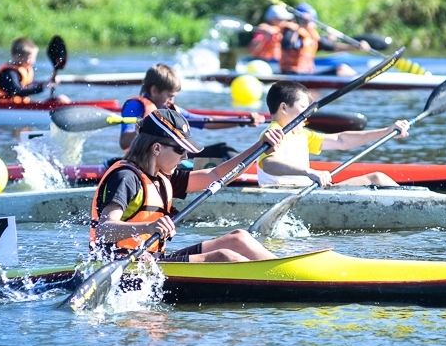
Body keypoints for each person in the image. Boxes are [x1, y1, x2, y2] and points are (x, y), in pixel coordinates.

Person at [91, 108, 285, 262]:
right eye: (180, 150)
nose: (185, 157)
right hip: (124, 264)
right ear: (156, 148)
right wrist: (148, 227)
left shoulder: (163, 176)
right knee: (223, 257)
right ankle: (281, 284)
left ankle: (287, 274)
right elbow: (104, 230)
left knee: (239, 239)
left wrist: (259, 148)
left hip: (152, 260)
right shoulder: (126, 178)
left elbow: (216, 174)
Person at [257, 81, 410, 187]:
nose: (308, 114)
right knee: (376, 179)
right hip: (285, 195)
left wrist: (386, 131)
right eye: (303, 107)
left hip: (305, 192)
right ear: (284, 107)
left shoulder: (301, 134)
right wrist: (309, 172)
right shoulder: (273, 133)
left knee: (378, 178)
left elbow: (341, 140)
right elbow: (269, 165)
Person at [119, 63, 265, 151]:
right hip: (144, 163)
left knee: (224, 150)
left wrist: (242, 121)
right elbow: (124, 142)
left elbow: (206, 122)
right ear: (154, 90)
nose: (172, 100)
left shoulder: (171, 110)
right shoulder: (135, 107)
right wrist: (142, 125)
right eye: (169, 95)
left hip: (172, 158)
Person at [280, 2, 369, 76]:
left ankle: (365, 80)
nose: (313, 23)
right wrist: (301, 25)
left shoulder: (312, 37)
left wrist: (356, 47)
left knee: (344, 68)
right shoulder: (290, 31)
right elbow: (288, 44)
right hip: (292, 74)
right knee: (341, 69)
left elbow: (333, 47)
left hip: (307, 74)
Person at [0, 37, 68, 104]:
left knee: (61, 100)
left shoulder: (25, 69)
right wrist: (43, 87)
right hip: (8, 108)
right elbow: (17, 91)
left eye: (34, 58)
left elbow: (30, 85)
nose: (33, 61)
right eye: (30, 58)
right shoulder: (9, 72)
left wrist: (46, 83)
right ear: (17, 56)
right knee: (60, 100)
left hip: (21, 106)